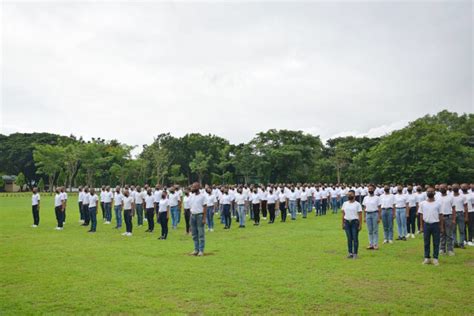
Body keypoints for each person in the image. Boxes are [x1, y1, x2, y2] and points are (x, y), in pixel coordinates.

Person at [419, 187, 443, 265]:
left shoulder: (438, 203)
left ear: (434, 193)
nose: (430, 192)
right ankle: (427, 258)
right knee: (426, 242)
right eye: (428, 191)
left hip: (436, 224)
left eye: (431, 191)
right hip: (426, 224)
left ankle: (435, 258)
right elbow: (421, 216)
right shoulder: (422, 203)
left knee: (436, 242)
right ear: (426, 193)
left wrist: (441, 226)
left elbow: (441, 215)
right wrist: (421, 227)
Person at [342, 190, 362, 259]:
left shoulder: (357, 204)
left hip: (354, 222)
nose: (349, 196)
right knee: (349, 238)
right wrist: (343, 223)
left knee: (355, 238)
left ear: (354, 195)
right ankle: (350, 253)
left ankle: (355, 253)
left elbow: (360, 215)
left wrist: (360, 224)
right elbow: (343, 214)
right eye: (348, 194)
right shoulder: (345, 203)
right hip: (347, 222)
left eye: (351, 194)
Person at [189, 182, 207, 256]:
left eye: (194, 187)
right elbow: (191, 207)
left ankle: (201, 250)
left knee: (201, 234)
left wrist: (204, 218)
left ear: (198, 187)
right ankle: (196, 249)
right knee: (194, 234)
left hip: (199, 216)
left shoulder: (202, 196)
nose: (192, 188)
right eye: (192, 187)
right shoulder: (191, 196)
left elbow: (205, 207)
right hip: (192, 215)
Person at [438, 184, 455, 256]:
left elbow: (454, 209)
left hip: (448, 217)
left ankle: (450, 250)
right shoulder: (437, 197)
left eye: (443, 188)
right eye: (440, 188)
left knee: (449, 234)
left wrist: (454, 219)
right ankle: (442, 249)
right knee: (441, 234)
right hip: (440, 218)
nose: (441, 189)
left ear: (446, 188)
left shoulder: (451, 197)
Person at [362, 184, 381, 250]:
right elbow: (364, 208)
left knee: (375, 230)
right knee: (370, 230)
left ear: (374, 189)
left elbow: (379, 208)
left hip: (375, 214)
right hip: (368, 214)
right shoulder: (365, 198)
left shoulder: (377, 198)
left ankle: (375, 244)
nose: (370, 190)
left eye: (371, 189)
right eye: (369, 189)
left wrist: (379, 217)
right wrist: (364, 217)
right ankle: (371, 244)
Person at [452, 184, 467, 249]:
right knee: (453, 230)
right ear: (452, 189)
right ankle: (455, 243)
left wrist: (466, 216)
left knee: (462, 230)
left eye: (456, 187)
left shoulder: (463, 196)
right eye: (454, 187)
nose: (455, 188)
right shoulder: (450, 197)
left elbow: (466, 207)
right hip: (452, 215)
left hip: (461, 214)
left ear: (459, 188)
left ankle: (461, 244)